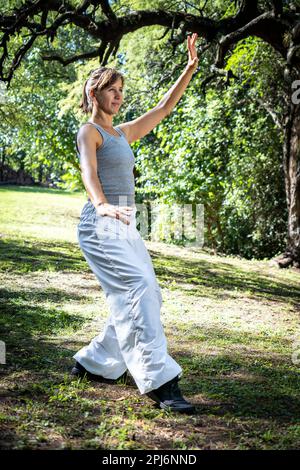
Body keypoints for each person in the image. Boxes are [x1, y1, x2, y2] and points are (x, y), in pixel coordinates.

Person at [71, 33, 199, 413]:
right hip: (101, 223)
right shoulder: (89, 132)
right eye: (112, 89)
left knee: (147, 292)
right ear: (95, 93)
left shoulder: (122, 132)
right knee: (139, 288)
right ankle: (162, 381)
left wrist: (189, 68)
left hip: (124, 224)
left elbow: (163, 107)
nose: (119, 96)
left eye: (121, 90)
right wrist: (103, 204)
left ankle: (95, 362)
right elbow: (88, 172)